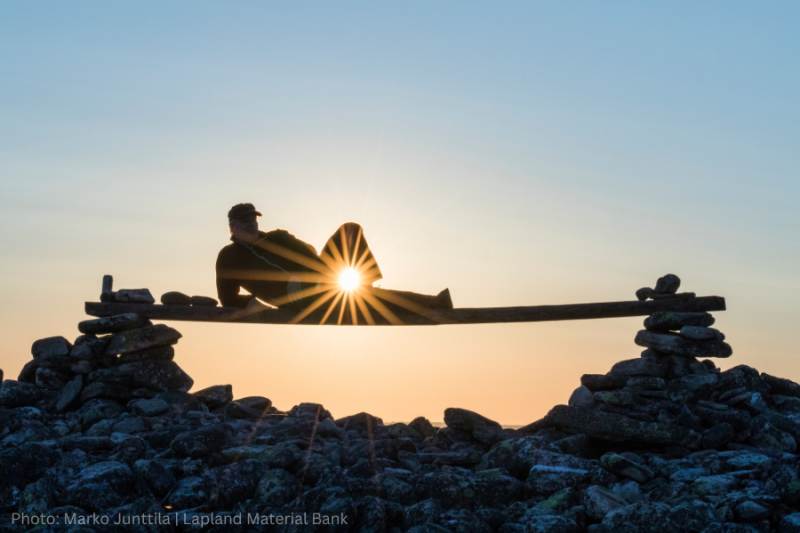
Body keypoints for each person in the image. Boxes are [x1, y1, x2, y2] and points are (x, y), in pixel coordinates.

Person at [215, 203, 453, 321]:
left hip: (317, 279)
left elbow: (308, 253)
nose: (251, 224)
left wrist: (322, 273)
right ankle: (432, 303)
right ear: (232, 227)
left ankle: (367, 285)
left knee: (350, 229)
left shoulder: (278, 236)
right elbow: (227, 298)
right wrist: (257, 306)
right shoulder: (229, 257)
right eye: (244, 221)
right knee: (365, 298)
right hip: (292, 297)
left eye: (253, 219)